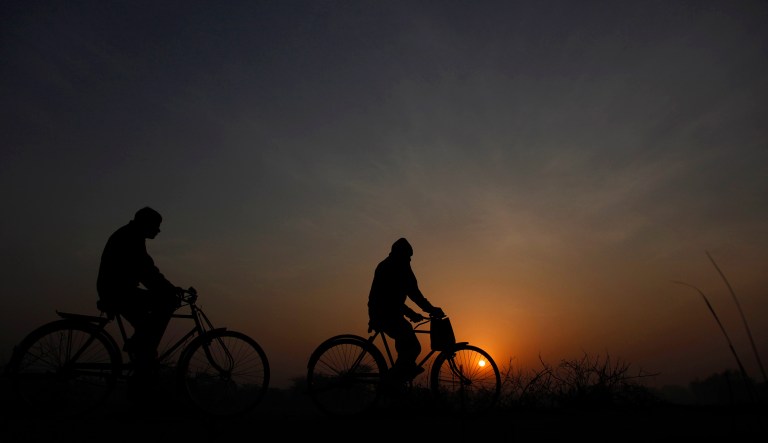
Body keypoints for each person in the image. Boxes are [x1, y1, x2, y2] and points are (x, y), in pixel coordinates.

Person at [96, 206, 182, 393]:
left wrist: (167, 288)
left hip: (117, 290)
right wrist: (169, 290)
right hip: (118, 292)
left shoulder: (131, 235)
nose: (158, 230)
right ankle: (142, 354)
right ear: (147, 224)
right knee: (166, 304)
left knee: (146, 327)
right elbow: (146, 271)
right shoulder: (131, 238)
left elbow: (147, 270)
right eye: (156, 226)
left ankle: (143, 356)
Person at [368, 237, 445, 382]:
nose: (409, 260)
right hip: (383, 313)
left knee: (406, 347)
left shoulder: (394, 266)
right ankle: (392, 381)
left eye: (410, 257)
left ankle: (397, 380)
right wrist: (427, 310)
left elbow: (413, 293)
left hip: (389, 312)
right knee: (413, 347)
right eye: (407, 257)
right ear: (400, 254)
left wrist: (423, 311)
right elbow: (392, 298)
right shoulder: (392, 268)